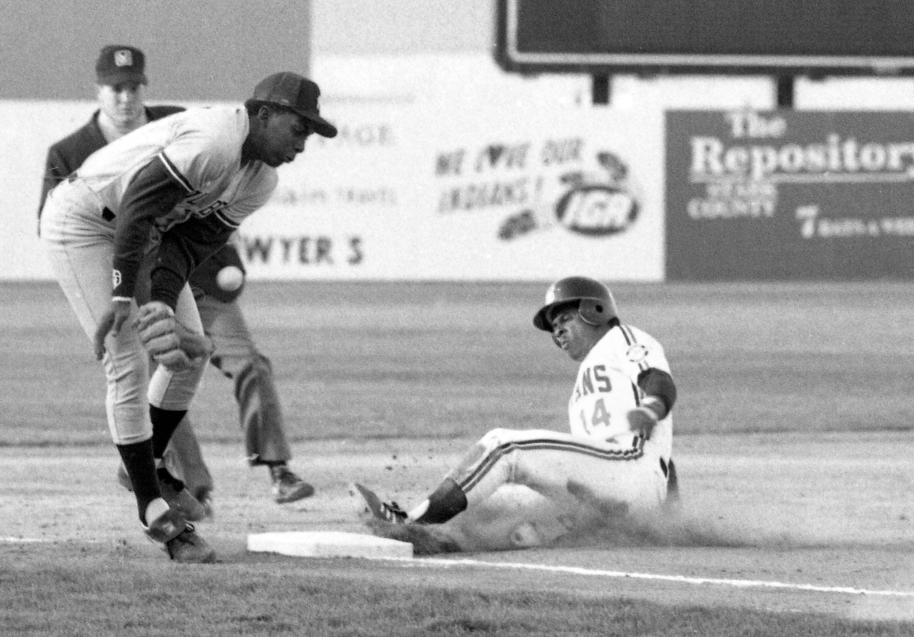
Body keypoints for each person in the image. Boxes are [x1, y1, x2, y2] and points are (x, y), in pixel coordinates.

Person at [40, 67, 337, 562]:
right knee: (128, 361)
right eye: (299, 126)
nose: (304, 141)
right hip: (85, 221)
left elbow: (185, 243)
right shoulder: (216, 141)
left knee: (190, 353)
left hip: (145, 237)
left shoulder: (260, 180)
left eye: (311, 131)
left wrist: (159, 300)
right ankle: (153, 510)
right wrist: (123, 300)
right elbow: (136, 205)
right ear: (264, 114)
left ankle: (146, 462)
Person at [354, 276, 679, 551]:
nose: (558, 332)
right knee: (494, 503)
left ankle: (412, 527)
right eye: (554, 327)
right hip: (611, 493)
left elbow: (656, 379)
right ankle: (447, 540)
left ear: (594, 311)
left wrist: (653, 406)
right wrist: (667, 520)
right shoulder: (586, 382)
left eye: (565, 319)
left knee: (504, 447)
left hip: (626, 470)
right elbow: (662, 463)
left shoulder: (622, 337)